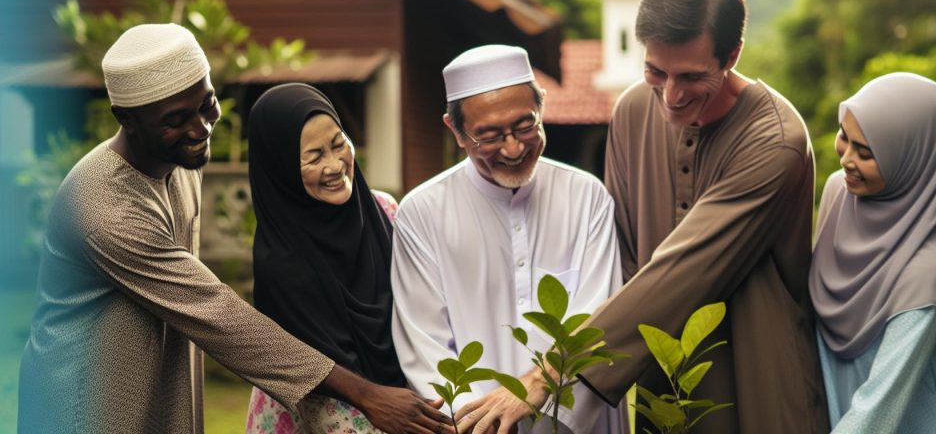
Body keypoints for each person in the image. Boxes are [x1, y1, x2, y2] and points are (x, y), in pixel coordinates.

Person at [17, 24, 449, 434]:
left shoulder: (180, 160)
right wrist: (368, 395)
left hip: (160, 376)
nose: (201, 128)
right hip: (86, 401)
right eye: (176, 119)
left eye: (207, 105)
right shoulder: (104, 210)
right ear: (126, 119)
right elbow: (217, 314)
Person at [458, 0, 829, 434]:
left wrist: (550, 372)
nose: (671, 96)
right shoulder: (633, 111)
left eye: (691, 76)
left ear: (732, 54)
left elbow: (687, 267)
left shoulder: (774, 141)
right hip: (660, 380)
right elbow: (626, 261)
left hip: (761, 378)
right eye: (656, 70)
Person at [391, 45, 626, 433]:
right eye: (489, 135)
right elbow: (424, 343)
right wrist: (480, 422)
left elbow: (596, 320)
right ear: (455, 131)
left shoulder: (587, 197)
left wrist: (553, 423)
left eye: (525, 126)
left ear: (542, 105)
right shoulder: (422, 212)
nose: (514, 148)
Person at [243, 83, 447, 433]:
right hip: (325, 411)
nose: (335, 165)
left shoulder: (384, 211)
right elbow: (316, 380)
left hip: (404, 393)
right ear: (282, 168)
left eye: (339, 144)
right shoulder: (281, 261)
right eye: (314, 157)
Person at [809, 73, 936, 433]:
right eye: (844, 136)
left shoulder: (932, 268)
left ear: (915, 160)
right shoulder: (840, 194)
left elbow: (878, 406)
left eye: (865, 152)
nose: (846, 159)